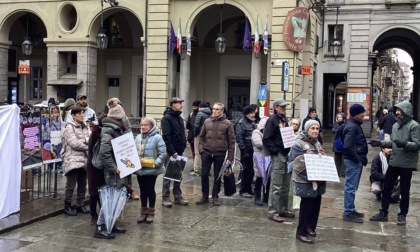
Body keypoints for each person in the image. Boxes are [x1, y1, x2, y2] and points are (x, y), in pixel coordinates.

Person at [369, 101, 420, 226]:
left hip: (407, 163)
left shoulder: (414, 126)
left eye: (400, 110)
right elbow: (392, 142)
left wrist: (405, 144)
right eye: (396, 110)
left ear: (406, 111)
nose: (397, 113)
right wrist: (380, 143)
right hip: (394, 161)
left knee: (405, 190)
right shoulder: (395, 126)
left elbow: (417, 145)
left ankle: (402, 215)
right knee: (386, 187)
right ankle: (383, 212)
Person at [94, 98, 129, 239]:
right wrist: (114, 168)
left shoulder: (115, 129)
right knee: (110, 199)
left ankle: (111, 223)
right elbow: (104, 153)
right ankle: (100, 227)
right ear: (119, 118)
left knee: (116, 198)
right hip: (113, 171)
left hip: (118, 169)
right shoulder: (109, 130)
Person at [290, 119, 326, 244]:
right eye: (313, 128)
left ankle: (311, 227)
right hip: (305, 181)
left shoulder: (317, 143)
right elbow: (297, 163)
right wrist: (314, 175)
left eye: (317, 129)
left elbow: (322, 158)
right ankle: (301, 232)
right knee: (306, 206)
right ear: (306, 129)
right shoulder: (298, 144)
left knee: (316, 205)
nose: (315, 131)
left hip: (318, 181)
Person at [196, 102, 236, 206]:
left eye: (217, 109)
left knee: (217, 176)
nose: (215, 111)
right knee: (204, 174)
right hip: (207, 152)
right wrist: (201, 150)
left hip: (220, 153)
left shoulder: (227, 123)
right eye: (214, 109)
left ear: (222, 111)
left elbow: (231, 141)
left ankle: (215, 196)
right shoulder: (207, 121)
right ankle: (204, 196)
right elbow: (201, 137)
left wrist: (230, 157)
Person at [263, 98, 294, 223]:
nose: (284, 108)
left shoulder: (284, 119)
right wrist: (275, 151)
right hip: (279, 155)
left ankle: (282, 209)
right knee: (276, 185)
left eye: (285, 106)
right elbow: (266, 138)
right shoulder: (272, 120)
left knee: (286, 184)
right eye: (282, 106)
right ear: (276, 107)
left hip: (286, 154)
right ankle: (273, 212)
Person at [135, 117, 167, 224]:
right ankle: (143, 211)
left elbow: (162, 154)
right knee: (142, 191)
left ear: (151, 126)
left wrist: (155, 164)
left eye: (146, 125)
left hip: (152, 170)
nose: (143, 127)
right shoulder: (138, 137)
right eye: (142, 125)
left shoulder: (157, 138)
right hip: (140, 169)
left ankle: (151, 212)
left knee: (150, 190)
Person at [61, 105, 91, 216]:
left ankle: (80, 204)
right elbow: (73, 143)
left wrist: (84, 141)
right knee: (71, 184)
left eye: (83, 113)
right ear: (73, 115)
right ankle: (67, 205)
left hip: (84, 159)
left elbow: (90, 138)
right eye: (79, 114)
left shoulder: (86, 126)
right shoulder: (69, 127)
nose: (82, 115)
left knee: (83, 183)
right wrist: (87, 146)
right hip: (73, 159)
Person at [341, 104, 368, 223]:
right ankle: (348, 212)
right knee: (351, 187)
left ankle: (351, 209)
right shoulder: (352, 126)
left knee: (352, 186)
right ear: (356, 113)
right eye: (363, 112)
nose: (364, 114)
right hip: (353, 161)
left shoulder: (354, 125)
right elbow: (347, 146)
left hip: (355, 160)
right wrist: (357, 159)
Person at [161, 97, 189, 207]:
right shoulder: (167, 118)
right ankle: (165, 197)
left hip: (179, 150)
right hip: (171, 151)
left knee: (178, 174)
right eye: (179, 103)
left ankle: (177, 196)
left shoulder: (179, 117)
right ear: (173, 104)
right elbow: (167, 136)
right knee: (169, 174)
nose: (182, 105)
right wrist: (172, 151)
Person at [236, 105, 257, 198]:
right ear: (246, 114)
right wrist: (244, 151)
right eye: (251, 113)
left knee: (252, 170)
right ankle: (243, 190)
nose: (253, 114)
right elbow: (239, 138)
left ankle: (248, 188)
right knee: (246, 171)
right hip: (247, 149)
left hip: (253, 149)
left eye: (253, 113)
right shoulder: (240, 123)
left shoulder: (252, 123)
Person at [252, 117, 270, 206]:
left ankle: (266, 197)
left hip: (268, 156)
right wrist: (270, 143)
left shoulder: (269, 132)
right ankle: (257, 197)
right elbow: (258, 143)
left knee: (267, 177)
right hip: (259, 156)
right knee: (259, 177)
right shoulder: (256, 132)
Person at [187, 100, 201, 176]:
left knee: (197, 153)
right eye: (193, 106)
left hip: (196, 136)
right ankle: (195, 166)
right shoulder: (191, 114)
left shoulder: (199, 115)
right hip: (191, 136)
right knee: (194, 153)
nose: (194, 108)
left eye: (195, 107)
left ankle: (197, 167)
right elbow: (188, 125)